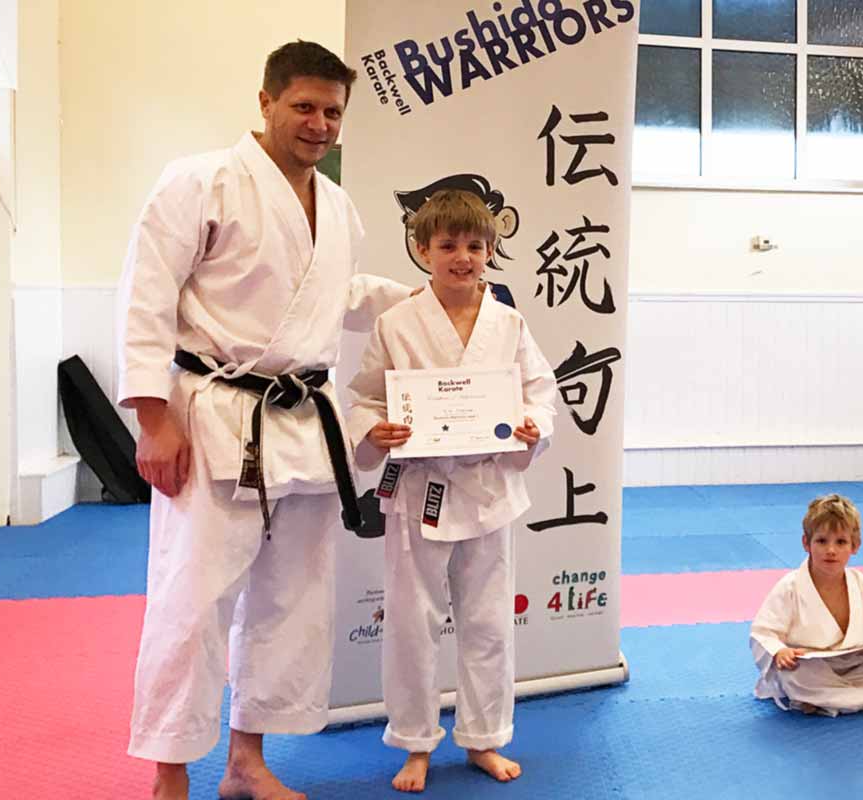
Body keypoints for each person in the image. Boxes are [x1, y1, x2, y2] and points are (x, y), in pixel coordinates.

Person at [117, 41, 410, 800]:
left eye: (332, 112)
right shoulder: (199, 181)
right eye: (304, 107)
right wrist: (154, 419)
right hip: (211, 415)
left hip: (302, 424)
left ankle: (247, 763)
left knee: (292, 600)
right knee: (193, 597)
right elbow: (146, 299)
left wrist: (427, 295)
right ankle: (170, 772)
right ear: (266, 102)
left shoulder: (338, 207)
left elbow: (331, 298)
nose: (318, 124)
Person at [347, 190, 557, 792]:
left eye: (474, 246)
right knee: (413, 622)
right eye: (447, 246)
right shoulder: (396, 323)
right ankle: (414, 742)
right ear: (422, 251)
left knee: (489, 622)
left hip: (488, 489)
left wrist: (531, 425)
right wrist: (373, 428)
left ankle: (484, 738)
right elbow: (363, 397)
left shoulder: (508, 322)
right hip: (421, 490)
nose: (461, 257)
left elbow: (540, 391)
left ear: (490, 251)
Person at [748, 494, 863, 715]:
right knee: (794, 676)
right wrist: (780, 651)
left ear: (854, 546)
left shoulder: (860, 584)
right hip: (808, 668)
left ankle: (823, 699)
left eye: (840, 542)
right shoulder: (790, 587)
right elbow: (762, 632)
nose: (831, 550)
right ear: (806, 543)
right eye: (821, 541)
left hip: (851, 665)